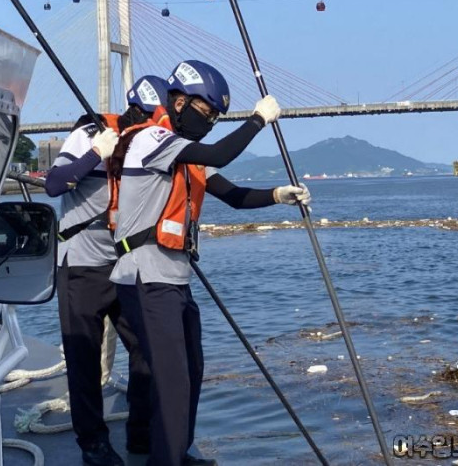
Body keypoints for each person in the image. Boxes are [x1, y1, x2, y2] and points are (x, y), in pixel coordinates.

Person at [109, 60, 311, 466]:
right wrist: (258, 120)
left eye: (217, 118)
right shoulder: (152, 141)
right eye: (206, 113)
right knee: (173, 384)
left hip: (175, 280)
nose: (211, 123)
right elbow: (222, 151)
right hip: (147, 279)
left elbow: (233, 195)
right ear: (179, 101)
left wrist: (278, 196)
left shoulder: (186, 155)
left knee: (192, 373)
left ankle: (176, 453)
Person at [44, 75, 168, 466]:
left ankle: (142, 436)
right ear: (135, 112)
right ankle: (93, 443)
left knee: (147, 349)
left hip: (124, 265)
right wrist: (97, 152)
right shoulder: (89, 135)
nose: (152, 126)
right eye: (148, 118)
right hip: (81, 264)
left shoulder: (149, 145)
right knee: (83, 357)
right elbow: (53, 184)